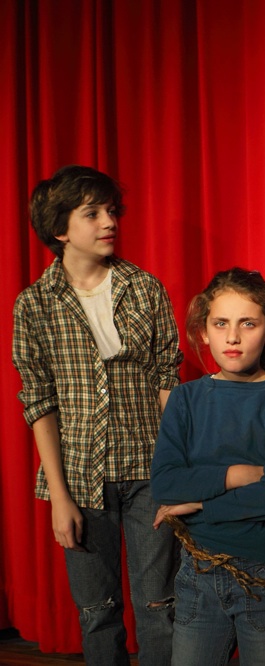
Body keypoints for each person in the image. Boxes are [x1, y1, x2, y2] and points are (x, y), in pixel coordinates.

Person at [12, 165, 181, 666]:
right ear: (60, 228)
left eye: (111, 211)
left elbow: (166, 382)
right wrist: (59, 497)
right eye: (93, 213)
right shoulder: (34, 305)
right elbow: (39, 403)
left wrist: (175, 471)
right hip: (80, 479)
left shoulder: (144, 288)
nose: (109, 221)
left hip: (150, 473)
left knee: (160, 607)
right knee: (97, 612)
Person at [150, 268, 265, 666]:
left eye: (247, 324)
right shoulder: (185, 400)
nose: (232, 337)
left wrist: (200, 504)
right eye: (221, 324)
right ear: (204, 332)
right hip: (199, 571)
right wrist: (236, 475)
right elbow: (165, 484)